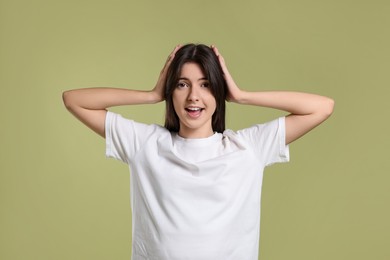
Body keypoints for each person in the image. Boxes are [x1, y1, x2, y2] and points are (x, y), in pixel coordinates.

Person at [62, 43, 334, 260]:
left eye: (205, 84)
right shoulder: (145, 144)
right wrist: (151, 94)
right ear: (172, 91)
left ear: (219, 90)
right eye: (182, 84)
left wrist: (241, 95)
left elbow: (322, 107)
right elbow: (74, 100)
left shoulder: (247, 148)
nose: (194, 95)